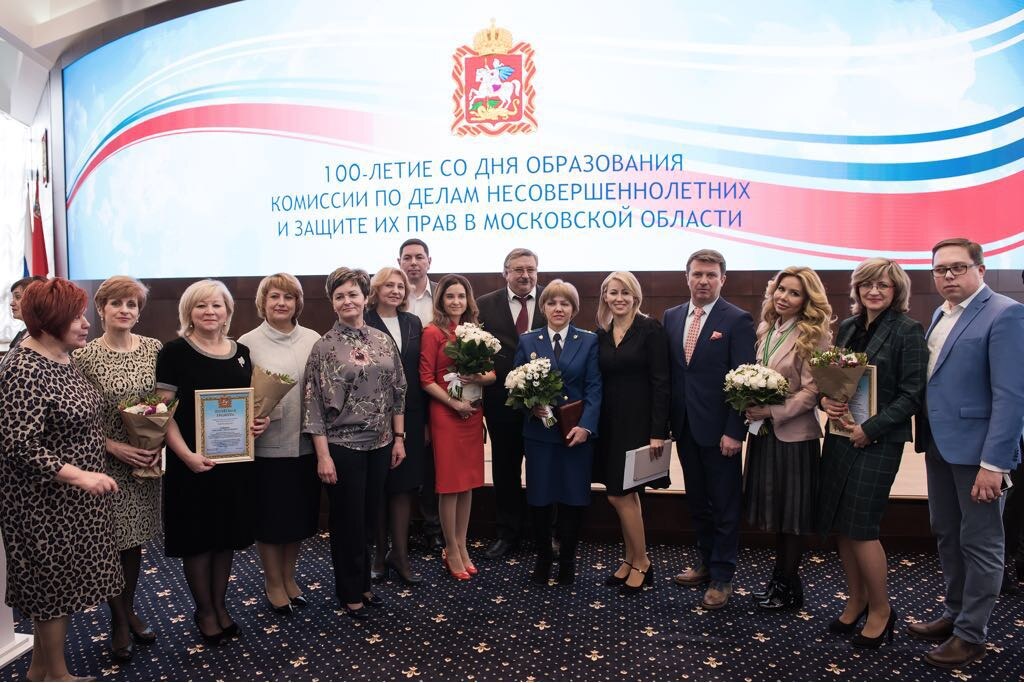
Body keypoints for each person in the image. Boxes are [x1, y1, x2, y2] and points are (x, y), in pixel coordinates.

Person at [910, 238, 1024, 669]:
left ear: (981, 269)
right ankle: (955, 614)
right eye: (940, 270)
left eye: (957, 268)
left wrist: (995, 464)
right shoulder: (941, 314)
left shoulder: (1005, 313)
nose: (948, 276)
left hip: (979, 457)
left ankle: (972, 634)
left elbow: (1011, 398)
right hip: (940, 446)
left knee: (981, 542)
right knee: (946, 532)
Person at [0, 278, 121, 681]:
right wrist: (80, 476)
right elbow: (19, 445)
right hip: (41, 502)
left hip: (72, 501)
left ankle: (42, 671)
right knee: (50, 590)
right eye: (75, 317)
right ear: (49, 320)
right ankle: (56, 677)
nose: (85, 323)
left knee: (62, 588)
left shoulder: (64, 359)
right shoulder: (23, 368)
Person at [816, 258, 927, 648]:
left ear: (897, 290)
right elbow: (834, 382)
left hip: (878, 442)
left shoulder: (908, 331)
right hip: (841, 437)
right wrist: (826, 401)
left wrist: (871, 428)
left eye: (882, 285)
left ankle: (881, 609)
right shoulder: (848, 327)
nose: (874, 291)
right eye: (867, 285)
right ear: (857, 289)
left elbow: (913, 394)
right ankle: (856, 599)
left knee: (862, 528)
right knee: (842, 525)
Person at [155, 279, 269, 644]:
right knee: (198, 540)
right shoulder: (174, 352)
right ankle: (204, 610)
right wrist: (185, 455)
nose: (209, 312)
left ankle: (220, 606)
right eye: (200, 305)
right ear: (188, 312)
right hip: (191, 464)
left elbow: (250, 402)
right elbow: (162, 412)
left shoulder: (242, 352)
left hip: (234, 463)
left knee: (225, 538)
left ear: (228, 311)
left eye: (216, 305)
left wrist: (260, 421)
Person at [303, 268, 407, 620]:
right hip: (342, 447)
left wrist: (398, 438)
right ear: (332, 303)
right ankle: (349, 593)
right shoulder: (324, 347)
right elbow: (313, 406)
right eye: (340, 296)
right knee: (348, 522)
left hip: (381, 444)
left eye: (353, 294)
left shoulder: (382, 339)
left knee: (368, 519)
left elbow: (399, 390)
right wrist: (323, 457)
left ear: (365, 298)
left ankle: (364, 585)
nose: (347, 301)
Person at [74, 276, 164, 661]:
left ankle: (128, 610)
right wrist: (112, 446)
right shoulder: (84, 356)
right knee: (112, 542)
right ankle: (119, 622)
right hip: (104, 463)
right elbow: (77, 419)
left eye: (132, 304)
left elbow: (162, 403)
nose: (125, 310)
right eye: (117, 303)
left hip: (144, 462)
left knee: (135, 542)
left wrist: (156, 443)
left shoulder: (154, 349)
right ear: (101, 309)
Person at [664, 249, 756, 610]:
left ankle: (722, 575)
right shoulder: (671, 316)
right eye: (697, 274)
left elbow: (743, 381)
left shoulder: (737, 320)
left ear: (723, 279)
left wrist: (735, 430)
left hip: (721, 433)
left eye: (711, 275)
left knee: (725, 505)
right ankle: (705, 562)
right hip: (685, 427)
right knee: (698, 502)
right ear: (686, 277)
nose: (703, 281)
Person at [743, 267, 832, 612]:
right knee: (777, 512)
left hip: (794, 436)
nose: (784, 297)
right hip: (765, 434)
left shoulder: (815, 335)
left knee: (793, 516)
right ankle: (779, 580)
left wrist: (772, 411)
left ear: (807, 300)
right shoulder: (767, 327)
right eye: (782, 289)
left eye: (794, 293)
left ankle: (789, 585)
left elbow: (812, 391)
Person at [238, 274, 320, 614]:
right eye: (274, 296)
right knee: (271, 520)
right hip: (267, 447)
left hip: (307, 443)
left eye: (288, 297)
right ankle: (273, 581)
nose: (281, 303)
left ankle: (289, 577)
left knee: (298, 517)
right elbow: (239, 396)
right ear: (263, 301)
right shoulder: (247, 343)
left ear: (297, 302)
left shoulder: (313, 339)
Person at [514, 279, 601, 585]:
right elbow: (515, 386)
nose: (558, 308)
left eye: (565, 303)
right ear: (543, 307)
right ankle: (543, 558)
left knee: (573, 499)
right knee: (539, 499)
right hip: (540, 436)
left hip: (575, 435)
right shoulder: (528, 341)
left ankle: (567, 561)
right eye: (552, 302)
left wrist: (586, 426)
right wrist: (530, 406)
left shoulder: (588, 341)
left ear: (574, 309)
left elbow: (594, 388)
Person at [593, 271, 669, 594]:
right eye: (613, 292)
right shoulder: (602, 333)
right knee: (627, 494)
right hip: (610, 423)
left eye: (625, 292)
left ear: (636, 296)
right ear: (605, 297)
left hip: (638, 424)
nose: (619, 298)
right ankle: (629, 559)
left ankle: (643, 562)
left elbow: (662, 382)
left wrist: (658, 431)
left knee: (619, 494)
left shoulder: (650, 329)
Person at [419, 274, 494, 579]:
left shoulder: (474, 331)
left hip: (472, 413)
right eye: (450, 296)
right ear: (440, 300)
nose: (456, 301)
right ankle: (450, 548)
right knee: (450, 485)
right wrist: (454, 404)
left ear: (468, 300)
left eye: (461, 296)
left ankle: (462, 546)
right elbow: (426, 379)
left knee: (468, 483)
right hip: (446, 414)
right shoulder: (432, 332)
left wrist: (476, 378)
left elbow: (491, 374)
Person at [477, 248, 546, 560]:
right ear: (505, 272)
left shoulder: (550, 300)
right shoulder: (484, 305)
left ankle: (544, 533)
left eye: (530, 269)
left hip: (543, 404)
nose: (525, 275)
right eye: (518, 269)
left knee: (542, 468)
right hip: (500, 403)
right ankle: (507, 534)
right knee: (505, 469)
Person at [366, 267, 427, 584]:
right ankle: (379, 553)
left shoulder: (413, 322)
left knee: (404, 486)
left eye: (400, 286)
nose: (395, 290)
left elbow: (418, 370)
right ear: (376, 290)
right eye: (388, 285)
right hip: (373, 416)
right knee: (379, 486)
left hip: (411, 414)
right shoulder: (364, 321)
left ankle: (400, 555)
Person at [398, 238, 443, 551]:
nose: (413, 263)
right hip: (398, 391)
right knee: (400, 458)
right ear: (399, 262)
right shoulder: (390, 293)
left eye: (419, 257)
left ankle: (432, 526)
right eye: (407, 258)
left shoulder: (443, 294)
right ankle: (398, 527)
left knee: (431, 461)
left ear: (429, 261)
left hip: (436, 389)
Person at [2, 275, 46, 369]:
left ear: (34, 299)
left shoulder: (44, 337)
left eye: (18, 297)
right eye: (13, 298)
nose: (11, 303)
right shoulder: (23, 333)